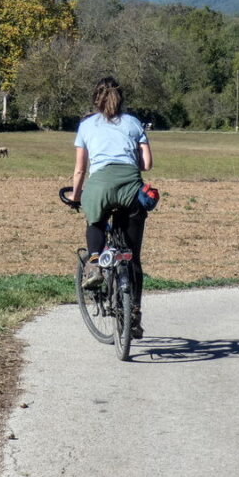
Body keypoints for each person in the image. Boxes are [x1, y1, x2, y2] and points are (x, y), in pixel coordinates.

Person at [69, 76, 152, 338]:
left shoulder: (86, 125)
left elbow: (81, 168)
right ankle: (134, 314)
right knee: (133, 257)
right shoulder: (133, 123)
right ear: (121, 98)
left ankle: (94, 263)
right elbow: (147, 164)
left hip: (100, 186)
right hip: (130, 187)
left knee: (95, 221)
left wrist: (75, 196)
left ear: (95, 98)